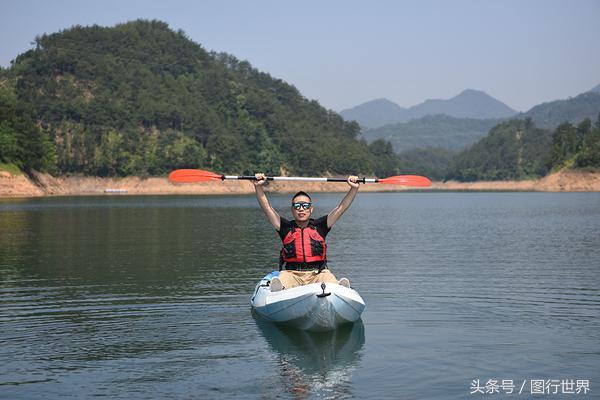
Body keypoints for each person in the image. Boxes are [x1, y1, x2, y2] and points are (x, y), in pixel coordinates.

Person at [253, 172, 360, 291]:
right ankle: (279, 289)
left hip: (318, 274)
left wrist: (353, 189)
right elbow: (267, 208)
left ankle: (339, 288)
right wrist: (258, 186)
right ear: (292, 210)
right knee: (282, 280)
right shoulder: (284, 227)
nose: (301, 209)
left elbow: (341, 208)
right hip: (291, 274)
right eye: (297, 206)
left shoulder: (321, 226)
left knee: (328, 278)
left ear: (311, 209)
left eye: (305, 205)